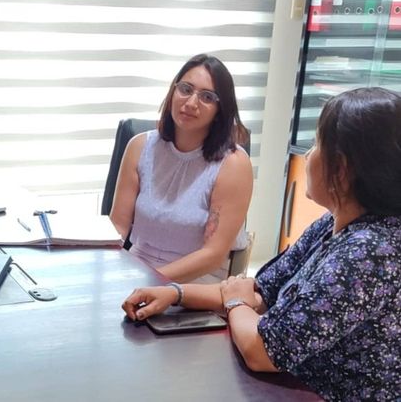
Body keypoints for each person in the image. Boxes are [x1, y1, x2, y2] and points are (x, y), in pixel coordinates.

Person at [122, 87, 401, 401]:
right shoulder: (332, 223)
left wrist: (236, 303)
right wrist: (175, 293)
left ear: (342, 169)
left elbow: (263, 351)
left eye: (317, 144)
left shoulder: (369, 253)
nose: (308, 155)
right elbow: (260, 291)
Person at [109, 54, 252, 283]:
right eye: (186, 89)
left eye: (207, 97)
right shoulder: (140, 146)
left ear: (220, 110)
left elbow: (213, 255)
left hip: (194, 284)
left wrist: (150, 281)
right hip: (135, 272)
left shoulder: (233, 164)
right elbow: (118, 226)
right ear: (173, 91)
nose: (191, 103)